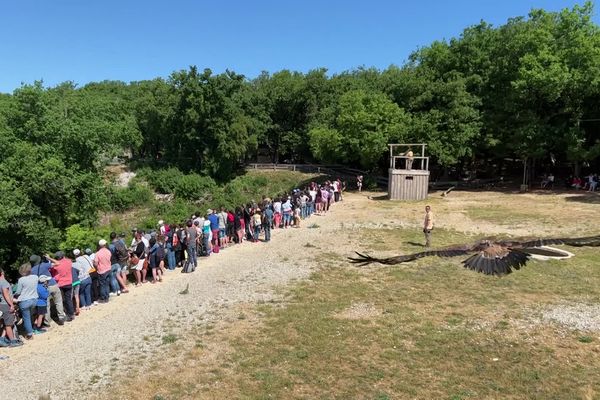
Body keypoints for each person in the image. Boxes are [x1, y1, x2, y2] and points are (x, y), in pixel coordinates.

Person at [30, 254, 65, 326]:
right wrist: (49, 258)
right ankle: (61, 317)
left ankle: (47, 322)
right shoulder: (43, 265)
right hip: (53, 284)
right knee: (58, 301)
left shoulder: (31, 270)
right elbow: (58, 263)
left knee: (47, 305)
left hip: (43, 288)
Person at [46, 251, 75, 322]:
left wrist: (49, 259)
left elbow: (50, 271)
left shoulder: (56, 265)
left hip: (60, 284)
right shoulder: (69, 261)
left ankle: (63, 314)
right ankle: (71, 314)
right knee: (68, 299)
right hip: (69, 282)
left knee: (61, 300)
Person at [14, 263, 39, 340]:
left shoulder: (21, 280)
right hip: (34, 299)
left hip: (24, 300)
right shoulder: (35, 277)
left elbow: (18, 292)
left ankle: (29, 334)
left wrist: (14, 295)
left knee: (26, 318)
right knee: (30, 315)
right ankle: (30, 328)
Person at [0, 267, 22, 347]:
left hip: (1, 304)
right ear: (2, 272)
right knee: (9, 324)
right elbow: (6, 294)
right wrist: (12, 305)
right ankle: (13, 341)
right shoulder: (4, 282)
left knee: (6, 322)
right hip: (6, 304)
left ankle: (2, 338)